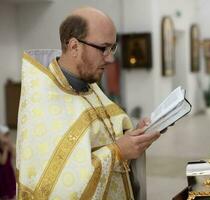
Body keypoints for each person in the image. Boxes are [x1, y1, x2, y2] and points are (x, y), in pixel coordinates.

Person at [16, 7, 160, 200]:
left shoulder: (89, 85)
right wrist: (117, 152)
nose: (110, 58)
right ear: (74, 46)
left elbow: (107, 133)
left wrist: (134, 136)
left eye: (113, 48)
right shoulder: (42, 105)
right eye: (103, 48)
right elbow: (52, 187)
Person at [0, 125, 16, 200]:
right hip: (1, 174)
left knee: (11, 191)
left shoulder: (8, 145)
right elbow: (2, 161)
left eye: (7, 135)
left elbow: (14, 155)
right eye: (4, 135)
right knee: (4, 192)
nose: (7, 137)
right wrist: (6, 149)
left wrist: (11, 145)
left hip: (9, 171)